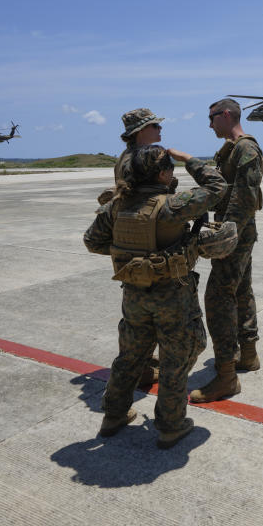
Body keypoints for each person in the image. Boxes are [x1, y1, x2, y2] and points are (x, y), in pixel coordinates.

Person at [84, 145, 227, 447]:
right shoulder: (173, 205)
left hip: (134, 294)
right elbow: (217, 186)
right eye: (171, 168)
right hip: (173, 295)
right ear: (163, 173)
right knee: (177, 358)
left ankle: (114, 415)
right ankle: (171, 424)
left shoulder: (117, 206)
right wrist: (190, 160)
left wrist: (133, 255)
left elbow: (93, 242)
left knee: (130, 356)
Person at [190, 98, 263, 403]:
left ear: (225, 115)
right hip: (239, 235)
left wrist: (224, 236)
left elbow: (245, 199)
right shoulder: (232, 149)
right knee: (241, 291)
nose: (209, 125)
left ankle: (225, 376)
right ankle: (247, 354)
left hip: (235, 237)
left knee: (218, 298)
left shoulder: (246, 148)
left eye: (211, 118)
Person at [96, 108, 168, 388]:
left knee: (138, 310)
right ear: (140, 131)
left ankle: (144, 366)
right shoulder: (139, 159)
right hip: (146, 240)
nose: (160, 131)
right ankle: (144, 368)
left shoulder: (127, 157)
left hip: (134, 240)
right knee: (150, 312)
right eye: (154, 126)